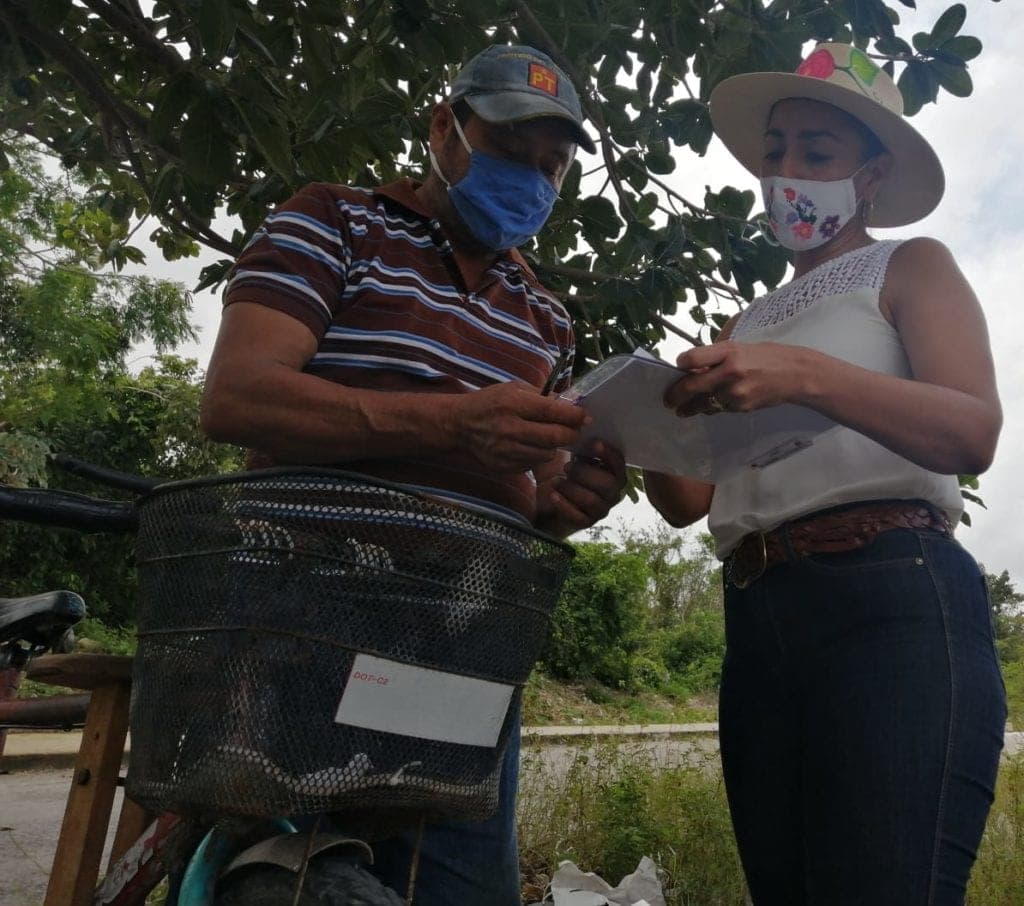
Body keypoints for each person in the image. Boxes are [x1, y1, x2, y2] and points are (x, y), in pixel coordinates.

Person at [199, 43, 626, 906]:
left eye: (553, 167)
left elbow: (522, 495)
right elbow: (238, 398)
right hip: (305, 616)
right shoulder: (333, 220)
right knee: (303, 876)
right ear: (444, 127)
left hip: (465, 640)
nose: (533, 181)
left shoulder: (544, 315)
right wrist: (451, 423)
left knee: (459, 883)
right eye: (512, 151)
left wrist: (560, 509)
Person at [644, 44, 1006, 905]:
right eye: (776, 152)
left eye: (817, 152)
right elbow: (689, 502)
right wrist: (643, 429)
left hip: (892, 600)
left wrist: (807, 376)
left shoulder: (911, 265)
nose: (786, 173)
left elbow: (972, 432)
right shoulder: (748, 318)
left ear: (871, 177)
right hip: (758, 615)